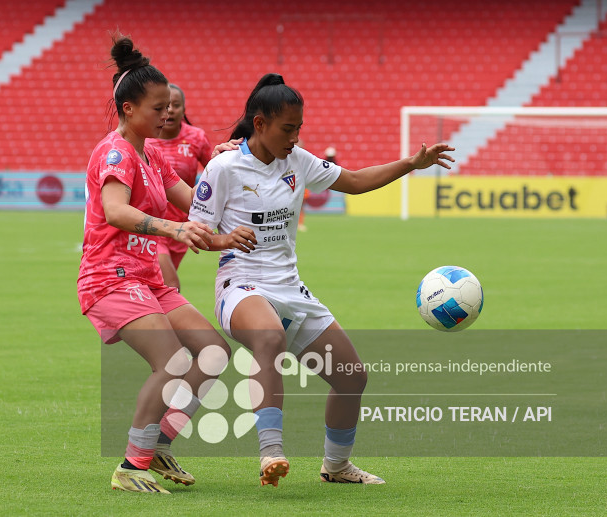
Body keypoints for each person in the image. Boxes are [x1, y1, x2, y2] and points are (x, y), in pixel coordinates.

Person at [188, 73, 454, 487]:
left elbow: (355, 182)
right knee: (269, 337)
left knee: (352, 377)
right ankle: (271, 452)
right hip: (239, 285)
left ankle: (337, 466)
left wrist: (410, 164)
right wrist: (224, 238)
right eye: (287, 129)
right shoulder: (223, 167)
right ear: (260, 124)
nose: (294, 138)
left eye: (299, 129)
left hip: (290, 288)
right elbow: (195, 233)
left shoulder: (298, 160)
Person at [78, 35, 256, 494]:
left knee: (213, 352)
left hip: (145, 277)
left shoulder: (152, 153)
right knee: (173, 360)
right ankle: (130, 466)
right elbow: (116, 211)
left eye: (169, 106)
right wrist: (172, 229)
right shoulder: (115, 152)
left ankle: (157, 444)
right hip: (110, 279)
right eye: (158, 108)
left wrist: (219, 226)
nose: (168, 115)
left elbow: (193, 203)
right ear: (128, 109)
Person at [145, 84, 213, 291]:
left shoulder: (196, 138)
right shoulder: (144, 140)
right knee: (171, 287)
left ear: (184, 109)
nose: (171, 110)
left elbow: (214, 172)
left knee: (156, 287)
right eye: (166, 106)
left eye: (176, 105)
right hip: (152, 225)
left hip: (183, 226)